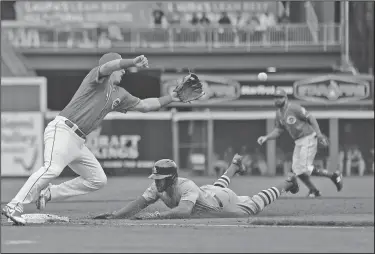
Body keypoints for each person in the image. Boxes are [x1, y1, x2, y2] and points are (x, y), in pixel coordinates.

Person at [2, 52, 184, 225]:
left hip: (78, 141)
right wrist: (131, 61)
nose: (124, 71)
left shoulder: (119, 93)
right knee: (52, 168)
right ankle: (14, 206)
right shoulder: (97, 79)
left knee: (97, 179)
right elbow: (108, 66)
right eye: (121, 67)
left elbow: (145, 105)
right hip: (63, 129)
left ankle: (48, 194)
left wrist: (171, 98)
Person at [92, 154, 299, 220]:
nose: (156, 181)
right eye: (155, 177)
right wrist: (116, 216)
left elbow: (184, 211)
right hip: (207, 193)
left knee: (254, 205)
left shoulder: (186, 185)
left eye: (160, 178)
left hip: (222, 204)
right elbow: (138, 204)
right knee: (216, 186)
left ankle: (288, 182)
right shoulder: (158, 187)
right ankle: (234, 166)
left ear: (172, 179)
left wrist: (155, 216)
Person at [257, 88, 343, 198]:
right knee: (298, 170)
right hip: (298, 142)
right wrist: (266, 137)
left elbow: (310, 117)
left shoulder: (293, 108)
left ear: (285, 98)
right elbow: (278, 130)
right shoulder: (279, 114)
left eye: (280, 97)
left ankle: (334, 176)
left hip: (308, 138)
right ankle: (314, 191)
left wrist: (319, 134)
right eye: (276, 97)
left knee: (304, 168)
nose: (277, 100)